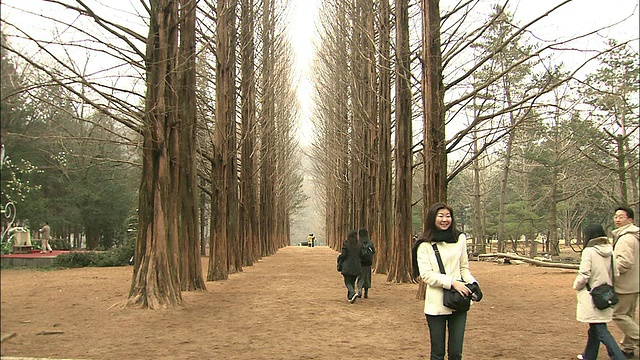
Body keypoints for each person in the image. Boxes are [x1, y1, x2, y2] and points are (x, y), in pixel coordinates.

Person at [412, 202, 480, 360]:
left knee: (456, 353)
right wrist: (452, 282)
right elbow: (426, 275)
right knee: (438, 353)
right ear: (432, 219)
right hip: (436, 304)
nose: (445, 220)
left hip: (459, 301)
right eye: (440, 216)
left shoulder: (460, 238)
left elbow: (464, 268)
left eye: (448, 216)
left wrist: (473, 284)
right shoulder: (424, 245)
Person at [573, 224, 626, 360]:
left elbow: (584, 275)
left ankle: (618, 357)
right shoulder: (610, 251)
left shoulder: (589, 251)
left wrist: (576, 285)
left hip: (592, 295)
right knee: (595, 329)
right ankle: (589, 356)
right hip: (605, 294)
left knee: (600, 330)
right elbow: (616, 273)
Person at [611, 205, 639, 359]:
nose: (617, 219)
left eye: (621, 216)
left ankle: (636, 340)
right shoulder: (634, 236)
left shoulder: (626, 238)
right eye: (616, 216)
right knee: (629, 315)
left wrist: (611, 272)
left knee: (619, 315)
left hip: (625, 284)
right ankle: (628, 348)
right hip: (635, 283)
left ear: (629, 219)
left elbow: (625, 262)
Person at [337, 229, 363, 304]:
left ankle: (352, 293)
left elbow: (343, 255)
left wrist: (339, 257)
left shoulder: (346, 244)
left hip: (347, 266)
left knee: (347, 281)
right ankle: (350, 297)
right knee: (352, 281)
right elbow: (361, 255)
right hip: (357, 266)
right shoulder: (359, 245)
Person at [356, 227, 375, 299]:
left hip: (360, 263)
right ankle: (366, 292)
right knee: (367, 277)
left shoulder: (358, 242)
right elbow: (373, 251)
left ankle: (359, 290)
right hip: (368, 263)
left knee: (360, 277)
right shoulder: (370, 242)